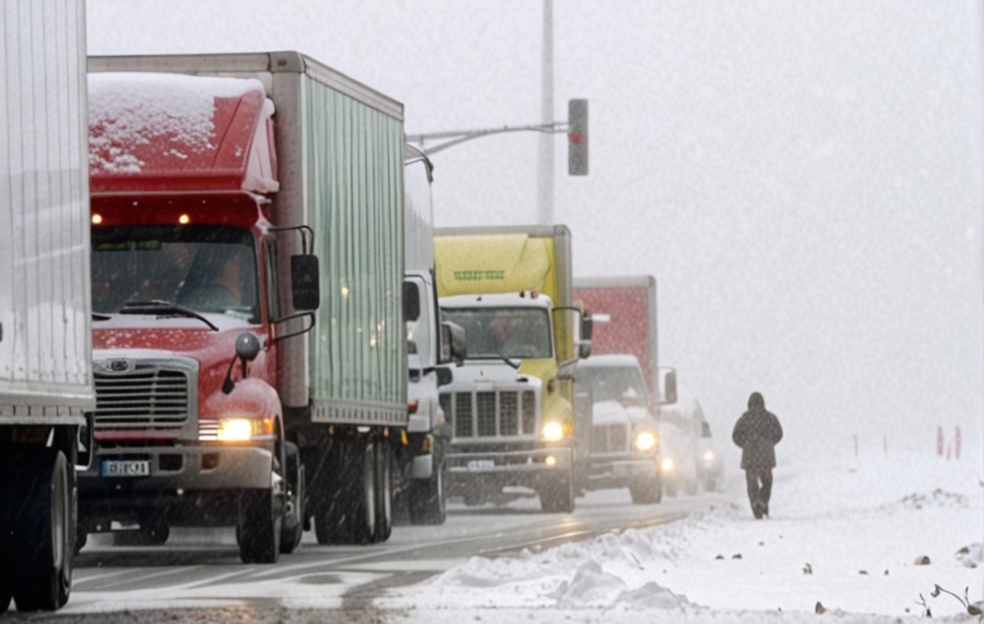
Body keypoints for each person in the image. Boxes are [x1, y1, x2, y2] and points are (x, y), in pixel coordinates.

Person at [732, 392, 783, 519]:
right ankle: (763, 501)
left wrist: (745, 444)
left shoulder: (745, 418)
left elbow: (735, 435)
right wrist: (770, 443)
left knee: (752, 483)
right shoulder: (770, 417)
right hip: (766, 456)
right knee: (767, 482)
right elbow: (779, 433)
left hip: (750, 456)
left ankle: (755, 504)